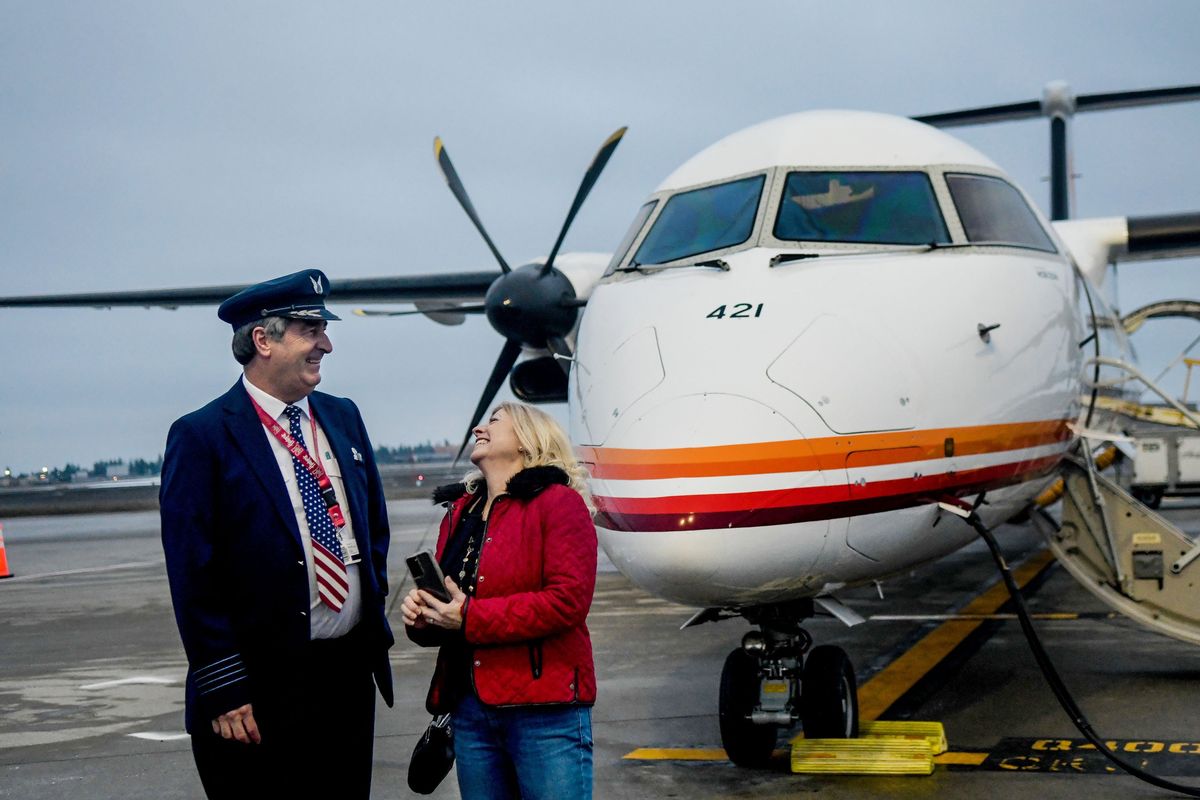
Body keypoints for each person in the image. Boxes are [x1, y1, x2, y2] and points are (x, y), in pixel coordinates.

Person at [159, 269, 393, 799]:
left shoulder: (343, 417)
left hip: (345, 680)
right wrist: (223, 689)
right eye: (311, 330)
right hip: (255, 694)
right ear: (263, 340)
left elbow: (371, 527)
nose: (326, 345)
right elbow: (193, 574)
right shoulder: (203, 436)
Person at [402, 402, 598, 799]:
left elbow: (567, 602)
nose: (479, 427)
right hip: (469, 712)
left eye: (493, 421)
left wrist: (468, 616)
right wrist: (425, 615)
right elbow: (453, 608)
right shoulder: (460, 511)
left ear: (528, 441)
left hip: (543, 711)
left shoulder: (559, 503)